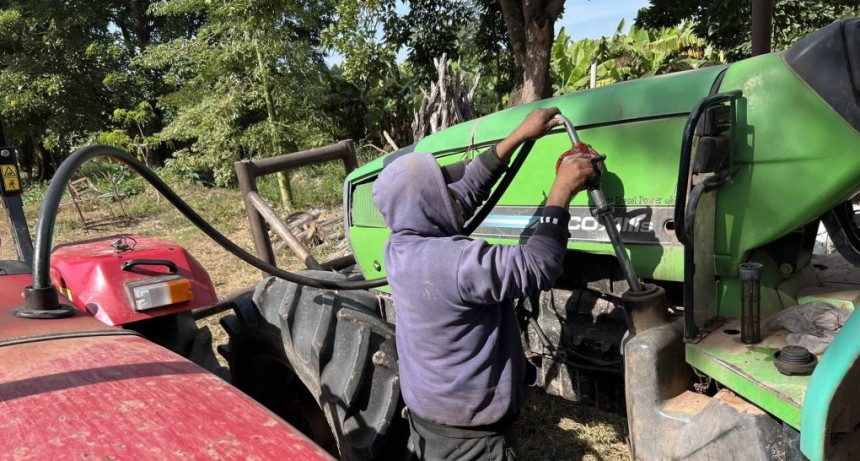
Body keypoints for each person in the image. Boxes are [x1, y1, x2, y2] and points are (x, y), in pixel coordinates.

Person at [372, 107, 598, 460]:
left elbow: (466, 193)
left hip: (430, 419)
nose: (453, 192)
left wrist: (518, 136)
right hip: (471, 442)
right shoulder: (455, 262)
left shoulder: (399, 244)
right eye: (443, 189)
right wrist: (562, 190)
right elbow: (538, 265)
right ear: (430, 204)